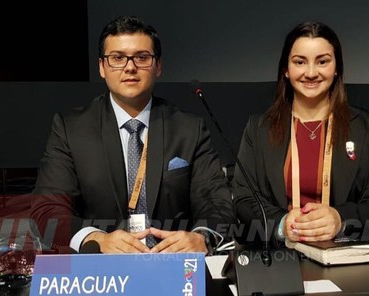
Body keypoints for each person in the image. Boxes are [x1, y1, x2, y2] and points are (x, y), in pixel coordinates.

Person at [31, 16, 234, 254]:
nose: (130, 67)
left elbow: (216, 202)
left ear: (158, 66)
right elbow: (48, 210)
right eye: (117, 58)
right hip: (102, 270)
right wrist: (97, 239)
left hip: (174, 265)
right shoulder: (71, 128)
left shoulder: (189, 128)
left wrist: (202, 237)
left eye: (142, 57)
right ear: (101, 67)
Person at [233, 22, 369, 245]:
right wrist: (281, 224)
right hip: (280, 258)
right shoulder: (258, 128)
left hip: (346, 258)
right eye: (300, 62)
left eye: (322, 61)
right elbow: (243, 200)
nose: (311, 73)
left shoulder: (367, 126)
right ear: (286, 69)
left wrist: (340, 219)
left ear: (337, 67)